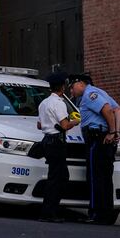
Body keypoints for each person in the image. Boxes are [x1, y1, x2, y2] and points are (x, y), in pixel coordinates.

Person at [69, 74, 120, 224]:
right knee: (105, 177)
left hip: (97, 138)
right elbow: (117, 109)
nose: (71, 92)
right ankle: (106, 214)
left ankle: (96, 214)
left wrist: (112, 132)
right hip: (104, 138)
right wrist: (116, 131)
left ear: (79, 83)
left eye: (72, 88)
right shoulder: (100, 92)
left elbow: (107, 110)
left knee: (95, 177)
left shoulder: (89, 95)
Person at [36, 72, 80, 222]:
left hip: (47, 141)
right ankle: (49, 212)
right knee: (58, 179)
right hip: (56, 143)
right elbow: (65, 125)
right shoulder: (59, 103)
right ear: (62, 87)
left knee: (56, 177)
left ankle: (48, 211)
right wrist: (75, 121)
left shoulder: (44, 103)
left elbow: (39, 125)